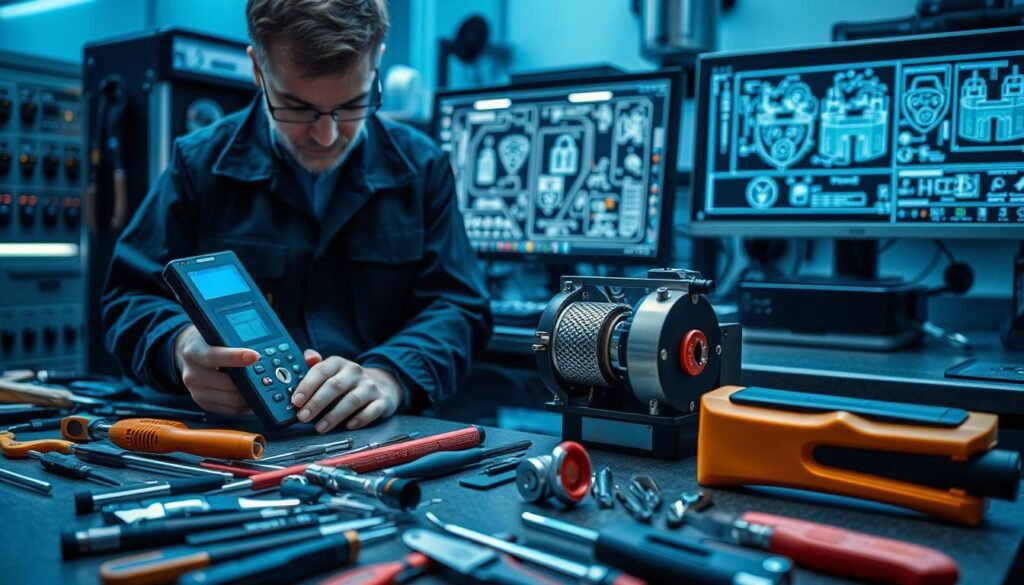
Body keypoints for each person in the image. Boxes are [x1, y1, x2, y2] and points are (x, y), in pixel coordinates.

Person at [102, 0, 491, 433]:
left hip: (369, 442)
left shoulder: (422, 168)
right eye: (296, 107)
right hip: (220, 440)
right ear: (257, 70)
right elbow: (128, 299)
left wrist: (391, 376)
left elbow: (458, 307)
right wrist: (179, 346)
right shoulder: (198, 165)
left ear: (377, 60)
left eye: (352, 105)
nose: (326, 136)